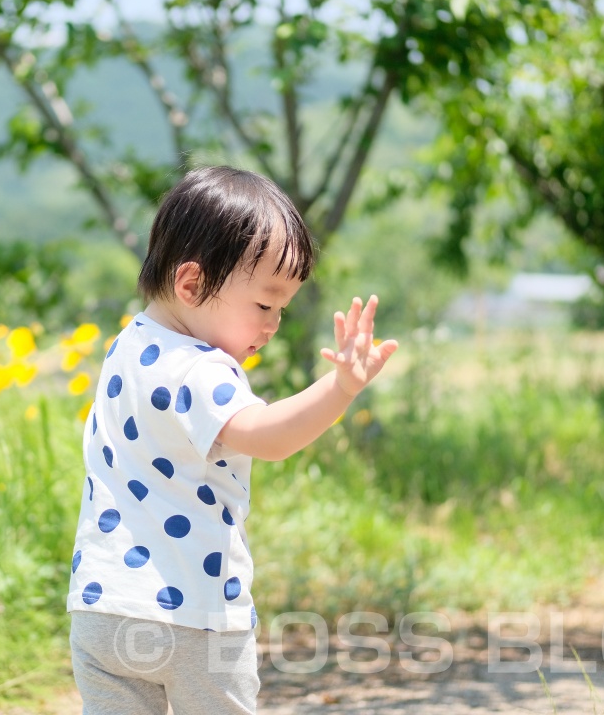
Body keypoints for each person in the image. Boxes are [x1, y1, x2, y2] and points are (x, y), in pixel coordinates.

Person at [67, 165, 399, 714]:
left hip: (102, 609)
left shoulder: (127, 346)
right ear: (191, 284)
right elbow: (267, 437)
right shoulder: (199, 370)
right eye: (264, 305)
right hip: (190, 614)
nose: (272, 326)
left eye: (282, 310)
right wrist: (340, 388)